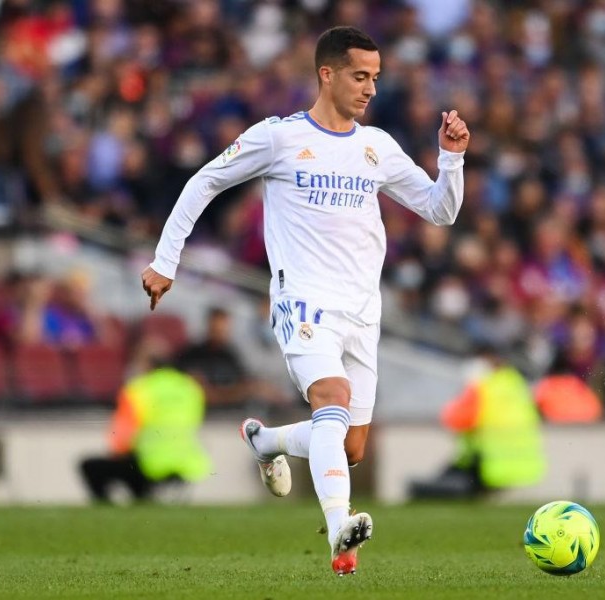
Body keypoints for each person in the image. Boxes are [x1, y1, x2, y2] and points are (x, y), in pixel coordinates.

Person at [140, 26, 470, 575]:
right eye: (360, 76)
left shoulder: (376, 147)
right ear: (327, 73)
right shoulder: (280, 138)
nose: (370, 89)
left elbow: (441, 211)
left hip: (363, 310)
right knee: (331, 398)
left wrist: (451, 159)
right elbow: (205, 181)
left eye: (376, 78)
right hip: (303, 303)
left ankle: (266, 442)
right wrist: (165, 262)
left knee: (349, 446)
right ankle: (341, 529)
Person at [409, 348, 545, 499]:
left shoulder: (482, 387)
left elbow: (453, 419)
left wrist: (465, 390)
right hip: (524, 468)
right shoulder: (517, 384)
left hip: (489, 467)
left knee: (427, 490)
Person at [79, 351, 212, 503]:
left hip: (149, 464)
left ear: (147, 365)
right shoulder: (190, 387)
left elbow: (122, 437)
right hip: (187, 463)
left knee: (91, 466)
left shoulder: (138, 389)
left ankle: (109, 510)